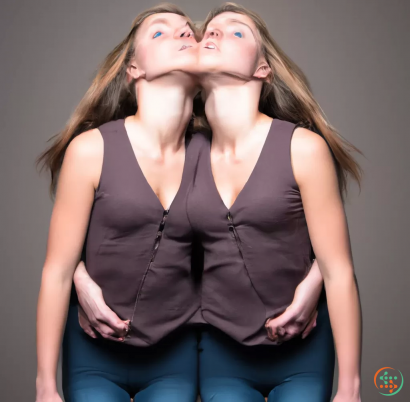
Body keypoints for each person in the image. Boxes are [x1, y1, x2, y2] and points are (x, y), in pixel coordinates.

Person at [187, 3, 362, 402]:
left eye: (235, 32)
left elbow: (339, 271)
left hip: (303, 350)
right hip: (218, 350)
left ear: (263, 68)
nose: (214, 34)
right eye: (209, 32)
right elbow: (124, 230)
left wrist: (349, 390)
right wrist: (77, 275)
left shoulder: (303, 148)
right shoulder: (180, 153)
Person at [35, 4, 204, 402]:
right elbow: (56, 270)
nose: (182, 34)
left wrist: (319, 272)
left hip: (178, 354)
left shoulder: (216, 155)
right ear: (133, 70)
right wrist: (45, 386)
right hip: (94, 356)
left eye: (188, 32)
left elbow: (272, 229)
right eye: (160, 33)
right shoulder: (91, 150)